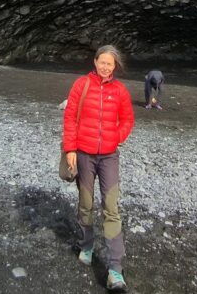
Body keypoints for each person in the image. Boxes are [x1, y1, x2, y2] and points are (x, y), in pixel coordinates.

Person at [62, 45, 135, 292]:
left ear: (115, 67)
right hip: (83, 154)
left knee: (111, 208)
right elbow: (70, 117)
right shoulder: (81, 85)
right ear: (95, 62)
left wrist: (117, 137)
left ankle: (115, 269)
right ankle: (86, 245)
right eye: (102, 62)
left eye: (110, 64)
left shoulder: (120, 91)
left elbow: (127, 120)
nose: (105, 67)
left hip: (109, 157)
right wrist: (71, 149)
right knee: (85, 202)